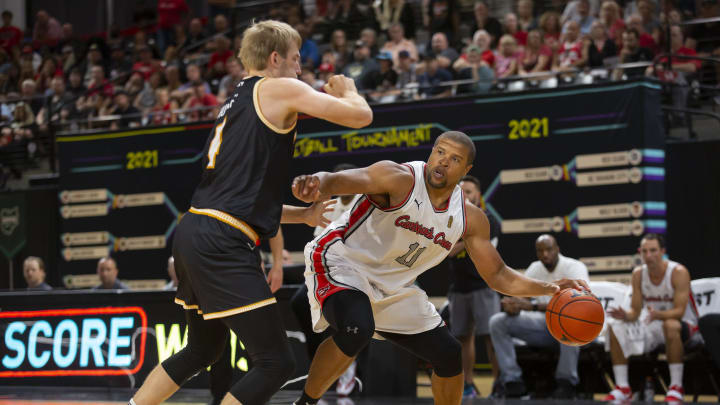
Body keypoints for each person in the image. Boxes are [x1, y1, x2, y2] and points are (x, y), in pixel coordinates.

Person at [128, 20, 372, 405]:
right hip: (221, 239)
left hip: (195, 228)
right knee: (275, 362)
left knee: (202, 350)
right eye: (295, 60)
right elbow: (360, 117)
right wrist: (350, 90)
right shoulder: (278, 87)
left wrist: (303, 217)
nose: (299, 70)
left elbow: (242, 201)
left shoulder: (235, 100)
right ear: (275, 58)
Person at [290, 131, 589, 405]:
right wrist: (316, 183)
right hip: (342, 260)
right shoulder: (399, 178)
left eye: (454, 159)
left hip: (392, 285)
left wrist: (550, 288)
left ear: (465, 171)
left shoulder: (470, 219)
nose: (443, 162)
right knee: (358, 328)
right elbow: (344, 180)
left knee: (448, 353)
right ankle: (305, 403)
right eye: (440, 152)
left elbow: (498, 275)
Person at [488, 235, 589, 399]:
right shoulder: (535, 268)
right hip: (543, 325)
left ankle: (566, 383)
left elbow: (575, 306)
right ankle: (513, 381)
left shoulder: (574, 267)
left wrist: (532, 306)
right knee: (497, 322)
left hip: (570, 324)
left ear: (557, 249)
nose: (545, 254)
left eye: (549, 249)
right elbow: (523, 298)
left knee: (569, 321)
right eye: (540, 251)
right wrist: (513, 305)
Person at [605, 234, 701, 403]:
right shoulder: (638, 274)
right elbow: (635, 311)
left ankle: (676, 387)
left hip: (685, 325)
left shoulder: (678, 272)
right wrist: (625, 315)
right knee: (615, 326)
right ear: (639, 252)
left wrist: (659, 315)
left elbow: (679, 311)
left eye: (653, 251)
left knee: (670, 325)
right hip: (653, 322)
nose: (648, 255)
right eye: (644, 251)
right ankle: (623, 388)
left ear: (663, 251)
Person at [446, 175, 500, 398]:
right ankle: (468, 384)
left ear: (478, 194)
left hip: (484, 286)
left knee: (492, 336)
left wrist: (462, 241)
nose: (465, 195)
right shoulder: (451, 220)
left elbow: (484, 251)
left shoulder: (489, 220)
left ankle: (500, 383)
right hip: (459, 288)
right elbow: (447, 250)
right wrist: (469, 238)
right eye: (461, 191)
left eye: (469, 191)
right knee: (462, 338)